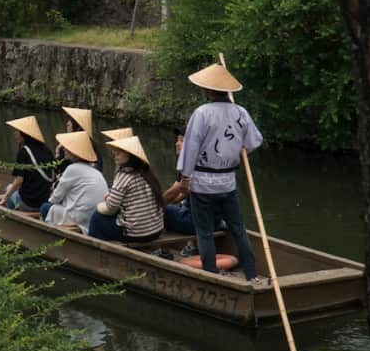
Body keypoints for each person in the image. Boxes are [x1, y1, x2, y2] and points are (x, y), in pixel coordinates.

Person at [177, 62, 264, 281]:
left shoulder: (202, 113)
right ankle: (251, 274)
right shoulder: (240, 113)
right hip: (227, 181)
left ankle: (211, 275)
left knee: (204, 232)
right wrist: (235, 150)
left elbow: (191, 147)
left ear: (207, 90)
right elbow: (255, 141)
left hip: (202, 183)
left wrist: (184, 176)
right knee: (238, 228)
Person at [88, 135, 164, 243]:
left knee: (97, 218)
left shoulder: (124, 175)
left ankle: (94, 252)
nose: (115, 153)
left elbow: (110, 208)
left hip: (137, 234)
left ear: (130, 155)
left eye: (120, 151)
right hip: (156, 231)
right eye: (115, 150)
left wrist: (99, 206)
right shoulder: (147, 173)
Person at [40, 131, 108, 233]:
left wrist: (50, 202)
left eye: (68, 148)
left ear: (75, 152)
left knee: (45, 207)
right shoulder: (95, 171)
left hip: (80, 218)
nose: (65, 149)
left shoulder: (72, 168)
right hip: (93, 217)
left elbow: (55, 197)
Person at [0, 115, 54, 212]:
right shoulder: (46, 149)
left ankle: (11, 216)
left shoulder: (24, 151)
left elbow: (19, 180)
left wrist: (4, 198)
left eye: (17, 131)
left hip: (28, 203)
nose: (15, 134)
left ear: (24, 134)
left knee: (9, 188)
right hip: (45, 201)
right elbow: (53, 174)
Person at [162, 128, 195, 235]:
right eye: (177, 140)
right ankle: (191, 246)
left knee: (161, 212)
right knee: (175, 206)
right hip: (214, 221)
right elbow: (180, 195)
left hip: (196, 222)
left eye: (181, 141)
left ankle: (164, 250)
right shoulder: (196, 160)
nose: (177, 143)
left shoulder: (188, 166)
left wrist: (153, 206)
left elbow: (171, 194)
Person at [55, 107, 103, 173]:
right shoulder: (65, 146)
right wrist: (58, 152)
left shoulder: (90, 149)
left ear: (78, 127)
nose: (67, 123)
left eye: (71, 121)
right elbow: (57, 169)